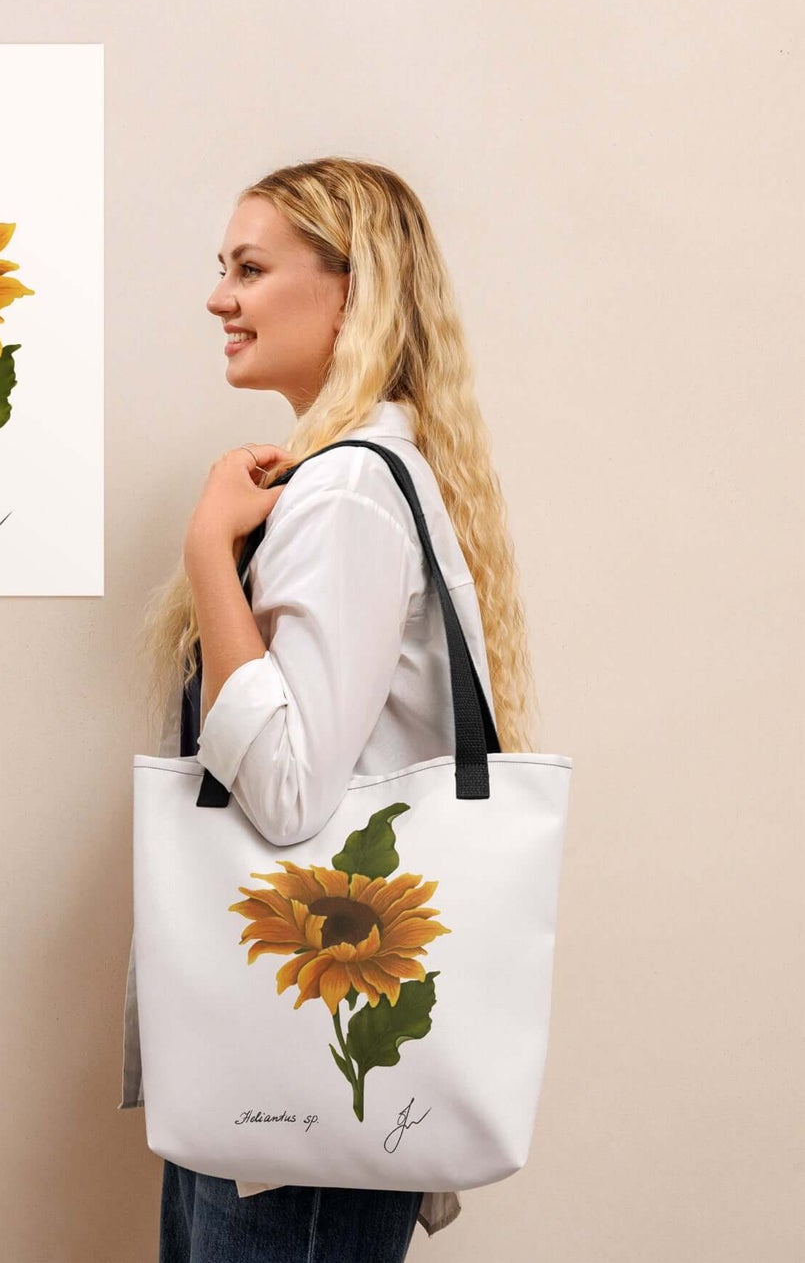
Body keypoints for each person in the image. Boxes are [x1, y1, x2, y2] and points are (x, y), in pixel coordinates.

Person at [119, 157, 544, 1260]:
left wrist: (209, 549)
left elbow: (290, 792)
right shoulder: (359, 472)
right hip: (297, 1073)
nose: (219, 296)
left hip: (293, 1096)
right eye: (222, 269)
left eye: (249, 268)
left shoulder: (347, 487)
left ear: (350, 289)